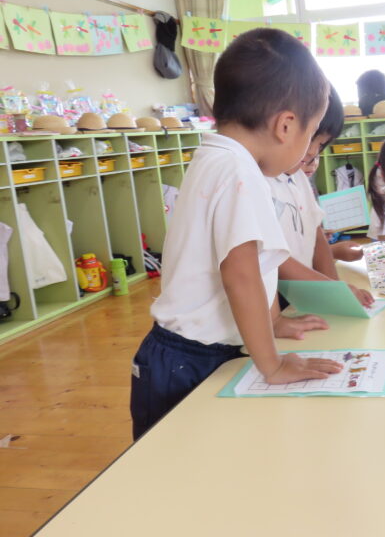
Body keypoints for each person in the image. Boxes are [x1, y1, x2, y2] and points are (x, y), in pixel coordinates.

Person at [130, 29, 343, 440]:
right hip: (189, 360)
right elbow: (241, 274)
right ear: (286, 125)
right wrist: (273, 365)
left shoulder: (215, 156)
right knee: (174, 466)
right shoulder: (240, 172)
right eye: (310, 133)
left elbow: (252, 269)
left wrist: (271, 321)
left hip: (180, 354)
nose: (307, 151)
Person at [267, 86, 372, 307]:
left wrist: (335, 290)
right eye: (312, 138)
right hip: (273, 301)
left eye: (321, 144)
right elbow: (271, 257)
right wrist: (332, 290)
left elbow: (317, 238)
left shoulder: (299, 178)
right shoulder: (260, 180)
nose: (313, 151)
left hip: (301, 294)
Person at [300, 153, 365, 263]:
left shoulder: (306, 181)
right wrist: (331, 251)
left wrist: (319, 234)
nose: (313, 163)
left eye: (317, 157)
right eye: (306, 157)